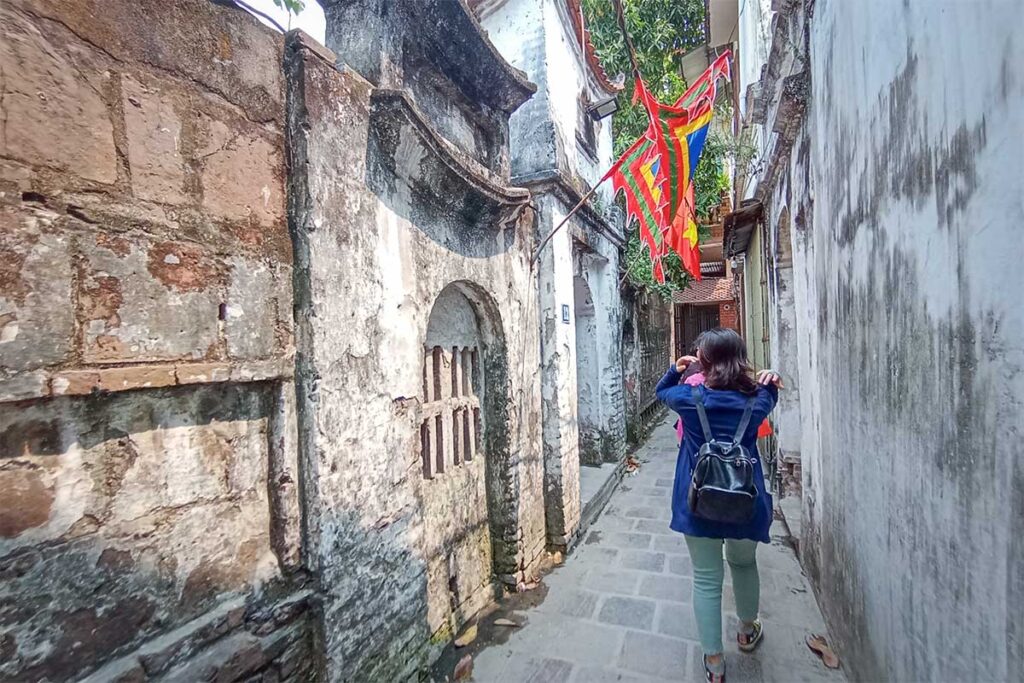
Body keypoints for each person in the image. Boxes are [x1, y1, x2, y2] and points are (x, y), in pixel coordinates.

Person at [655, 328, 782, 683]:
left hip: (699, 503)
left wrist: (677, 368)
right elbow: (771, 390)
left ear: (704, 362)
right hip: (746, 504)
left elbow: (661, 392)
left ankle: (714, 662)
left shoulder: (688, 398)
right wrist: (770, 379)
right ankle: (746, 630)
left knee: (707, 579)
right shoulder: (758, 400)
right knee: (743, 565)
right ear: (740, 359)